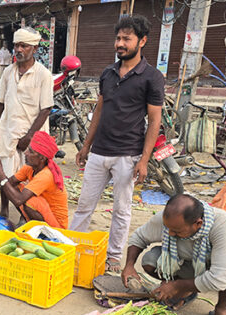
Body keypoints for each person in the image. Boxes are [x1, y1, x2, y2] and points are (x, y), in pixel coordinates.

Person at [70, 15, 165, 275]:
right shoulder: (108, 73)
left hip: (127, 155)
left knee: (121, 211)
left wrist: (145, 160)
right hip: (99, 152)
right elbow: (99, 110)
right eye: (118, 38)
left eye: (127, 39)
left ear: (142, 41)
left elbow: (154, 121)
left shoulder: (152, 77)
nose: (120, 44)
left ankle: (113, 257)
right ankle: (72, 248)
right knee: (83, 206)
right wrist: (86, 145)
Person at [122, 194, 226, 315]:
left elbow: (219, 278)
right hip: (187, 261)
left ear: (198, 224)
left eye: (176, 231)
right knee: (150, 261)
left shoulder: (222, 224)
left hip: (216, 264)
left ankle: (221, 310)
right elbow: (139, 237)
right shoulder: (170, 219)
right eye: (168, 228)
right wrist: (129, 265)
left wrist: (176, 286)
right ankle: (186, 291)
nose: (169, 233)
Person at [0, 27, 54, 219]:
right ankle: (4, 209)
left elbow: (46, 109)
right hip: (8, 131)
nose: (19, 49)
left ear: (34, 48)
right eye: (16, 45)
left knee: (28, 179)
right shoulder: (9, 72)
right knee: (4, 174)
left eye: (23, 46)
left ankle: (27, 214)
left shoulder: (43, 75)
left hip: (32, 139)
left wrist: (29, 136)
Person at [0, 132, 68, 228]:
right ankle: (6, 214)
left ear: (42, 158)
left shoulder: (46, 175)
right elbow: (8, 184)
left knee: (29, 202)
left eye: (30, 151)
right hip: (46, 213)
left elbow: (18, 200)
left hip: (57, 226)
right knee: (12, 187)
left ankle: (42, 231)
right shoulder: (30, 168)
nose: (26, 153)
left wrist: (0, 174)